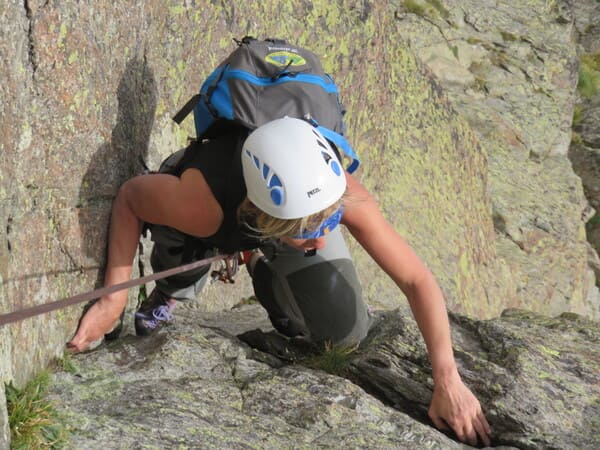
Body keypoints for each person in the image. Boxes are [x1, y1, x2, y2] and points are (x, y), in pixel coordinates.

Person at [68, 117, 491, 446]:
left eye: (331, 218)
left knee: (345, 331)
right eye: (309, 229)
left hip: (265, 214)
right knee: (199, 235)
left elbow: (417, 278)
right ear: (263, 218)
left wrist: (448, 379)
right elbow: (129, 199)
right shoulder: (200, 204)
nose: (325, 235)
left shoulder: (337, 193)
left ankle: (258, 263)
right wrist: (113, 300)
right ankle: (179, 284)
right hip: (217, 208)